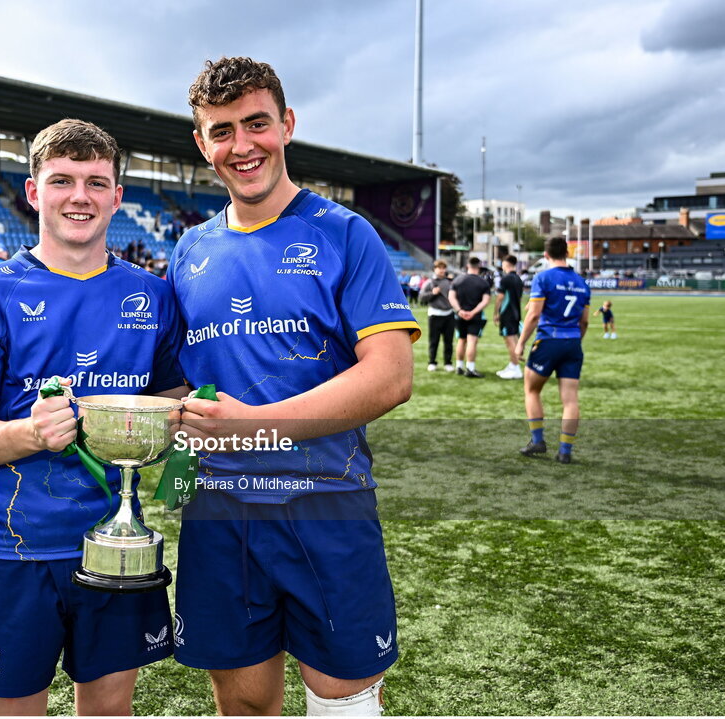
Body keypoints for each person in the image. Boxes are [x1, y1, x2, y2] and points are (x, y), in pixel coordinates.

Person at [168, 57, 419, 717]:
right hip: (217, 514)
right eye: (221, 131)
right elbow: (180, 384)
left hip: (325, 505)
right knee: (245, 704)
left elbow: (390, 376)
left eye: (256, 123)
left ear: (286, 125)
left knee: (341, 700)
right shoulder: (187, 251)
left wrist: (252, 425)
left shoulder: (343, 233)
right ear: (202, 144)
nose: (241, 145)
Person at [0, 119, 187, 715]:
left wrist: (177, 469)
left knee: (108, 710)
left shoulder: (153, 295)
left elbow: (176, 407)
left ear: (116, 197)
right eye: (63, 181)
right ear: (34, 192)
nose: (80, 196)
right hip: (18, 548)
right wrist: (30, 432)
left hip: (118, 545)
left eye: (96, 182)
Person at [513, 237, 590, 464]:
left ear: (546, 255)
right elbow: (584, 322)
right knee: (570, 400)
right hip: (572, 342)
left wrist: (521, 343)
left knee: (532, 390)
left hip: (548, 341)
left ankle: (538, 441)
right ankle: (565, 451)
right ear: (567, 253)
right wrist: (575, 340)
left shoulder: (543, 277)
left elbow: (534, 315)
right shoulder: (581, 282)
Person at [448, 257, 490, 378]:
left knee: (461, 340)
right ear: (479, 266)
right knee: (472, 341)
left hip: (460, 315)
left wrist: (459, 310)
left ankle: (459, 366)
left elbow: (451, 297)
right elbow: (485, 301)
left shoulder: (457, 280)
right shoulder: (483, 282)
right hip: (475, 316)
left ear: (468, 265)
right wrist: (473, 312)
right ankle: (470, 368)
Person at [418, 260, 455, 372]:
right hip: (435, 314)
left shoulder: (450, 282)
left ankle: (448, 363)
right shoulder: (429, 282)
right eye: (439, 268)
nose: (442, 270)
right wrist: (432, 293)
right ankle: (432, 362)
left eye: (444, 268)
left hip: (449, 314)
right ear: (435, 269)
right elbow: (421, 298)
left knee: (449, 341)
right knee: (434, 340)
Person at [494, 255, 525, 379]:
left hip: (507, 314)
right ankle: (512, 365)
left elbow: (500, 297)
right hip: (516, 313)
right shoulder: (518, 279)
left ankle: (516, 368)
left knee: (510, 341)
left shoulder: (505, 279)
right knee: (514, 339)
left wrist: (496, 312)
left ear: (505, 264)